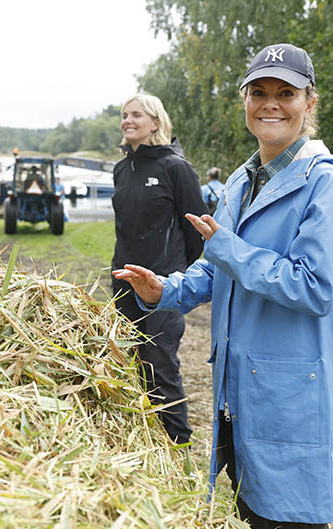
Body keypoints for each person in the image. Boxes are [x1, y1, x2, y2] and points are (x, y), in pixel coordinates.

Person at [114, 43, 333, 529]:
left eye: (285, 94)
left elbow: (314, 286)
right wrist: (166, 289)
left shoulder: (327, 182)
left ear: (308, 102)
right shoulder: (246, 180)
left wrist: (229, 249)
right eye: (260, 93)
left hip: (293, 396)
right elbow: (215, 268)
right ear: (245, 102)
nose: (271, 105)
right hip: (240, 395)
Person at [110, 93, 208, 446]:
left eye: (136, 114)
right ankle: (144, 440)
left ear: (155, 122)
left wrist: (186, 278)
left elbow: (197, 230)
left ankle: (178, 442)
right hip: (123, 280)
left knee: (160, 363)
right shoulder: (122, 169)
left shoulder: (175, 167)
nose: (127, 120)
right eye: (124, 115)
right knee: (130, 360)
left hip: (164, 283)